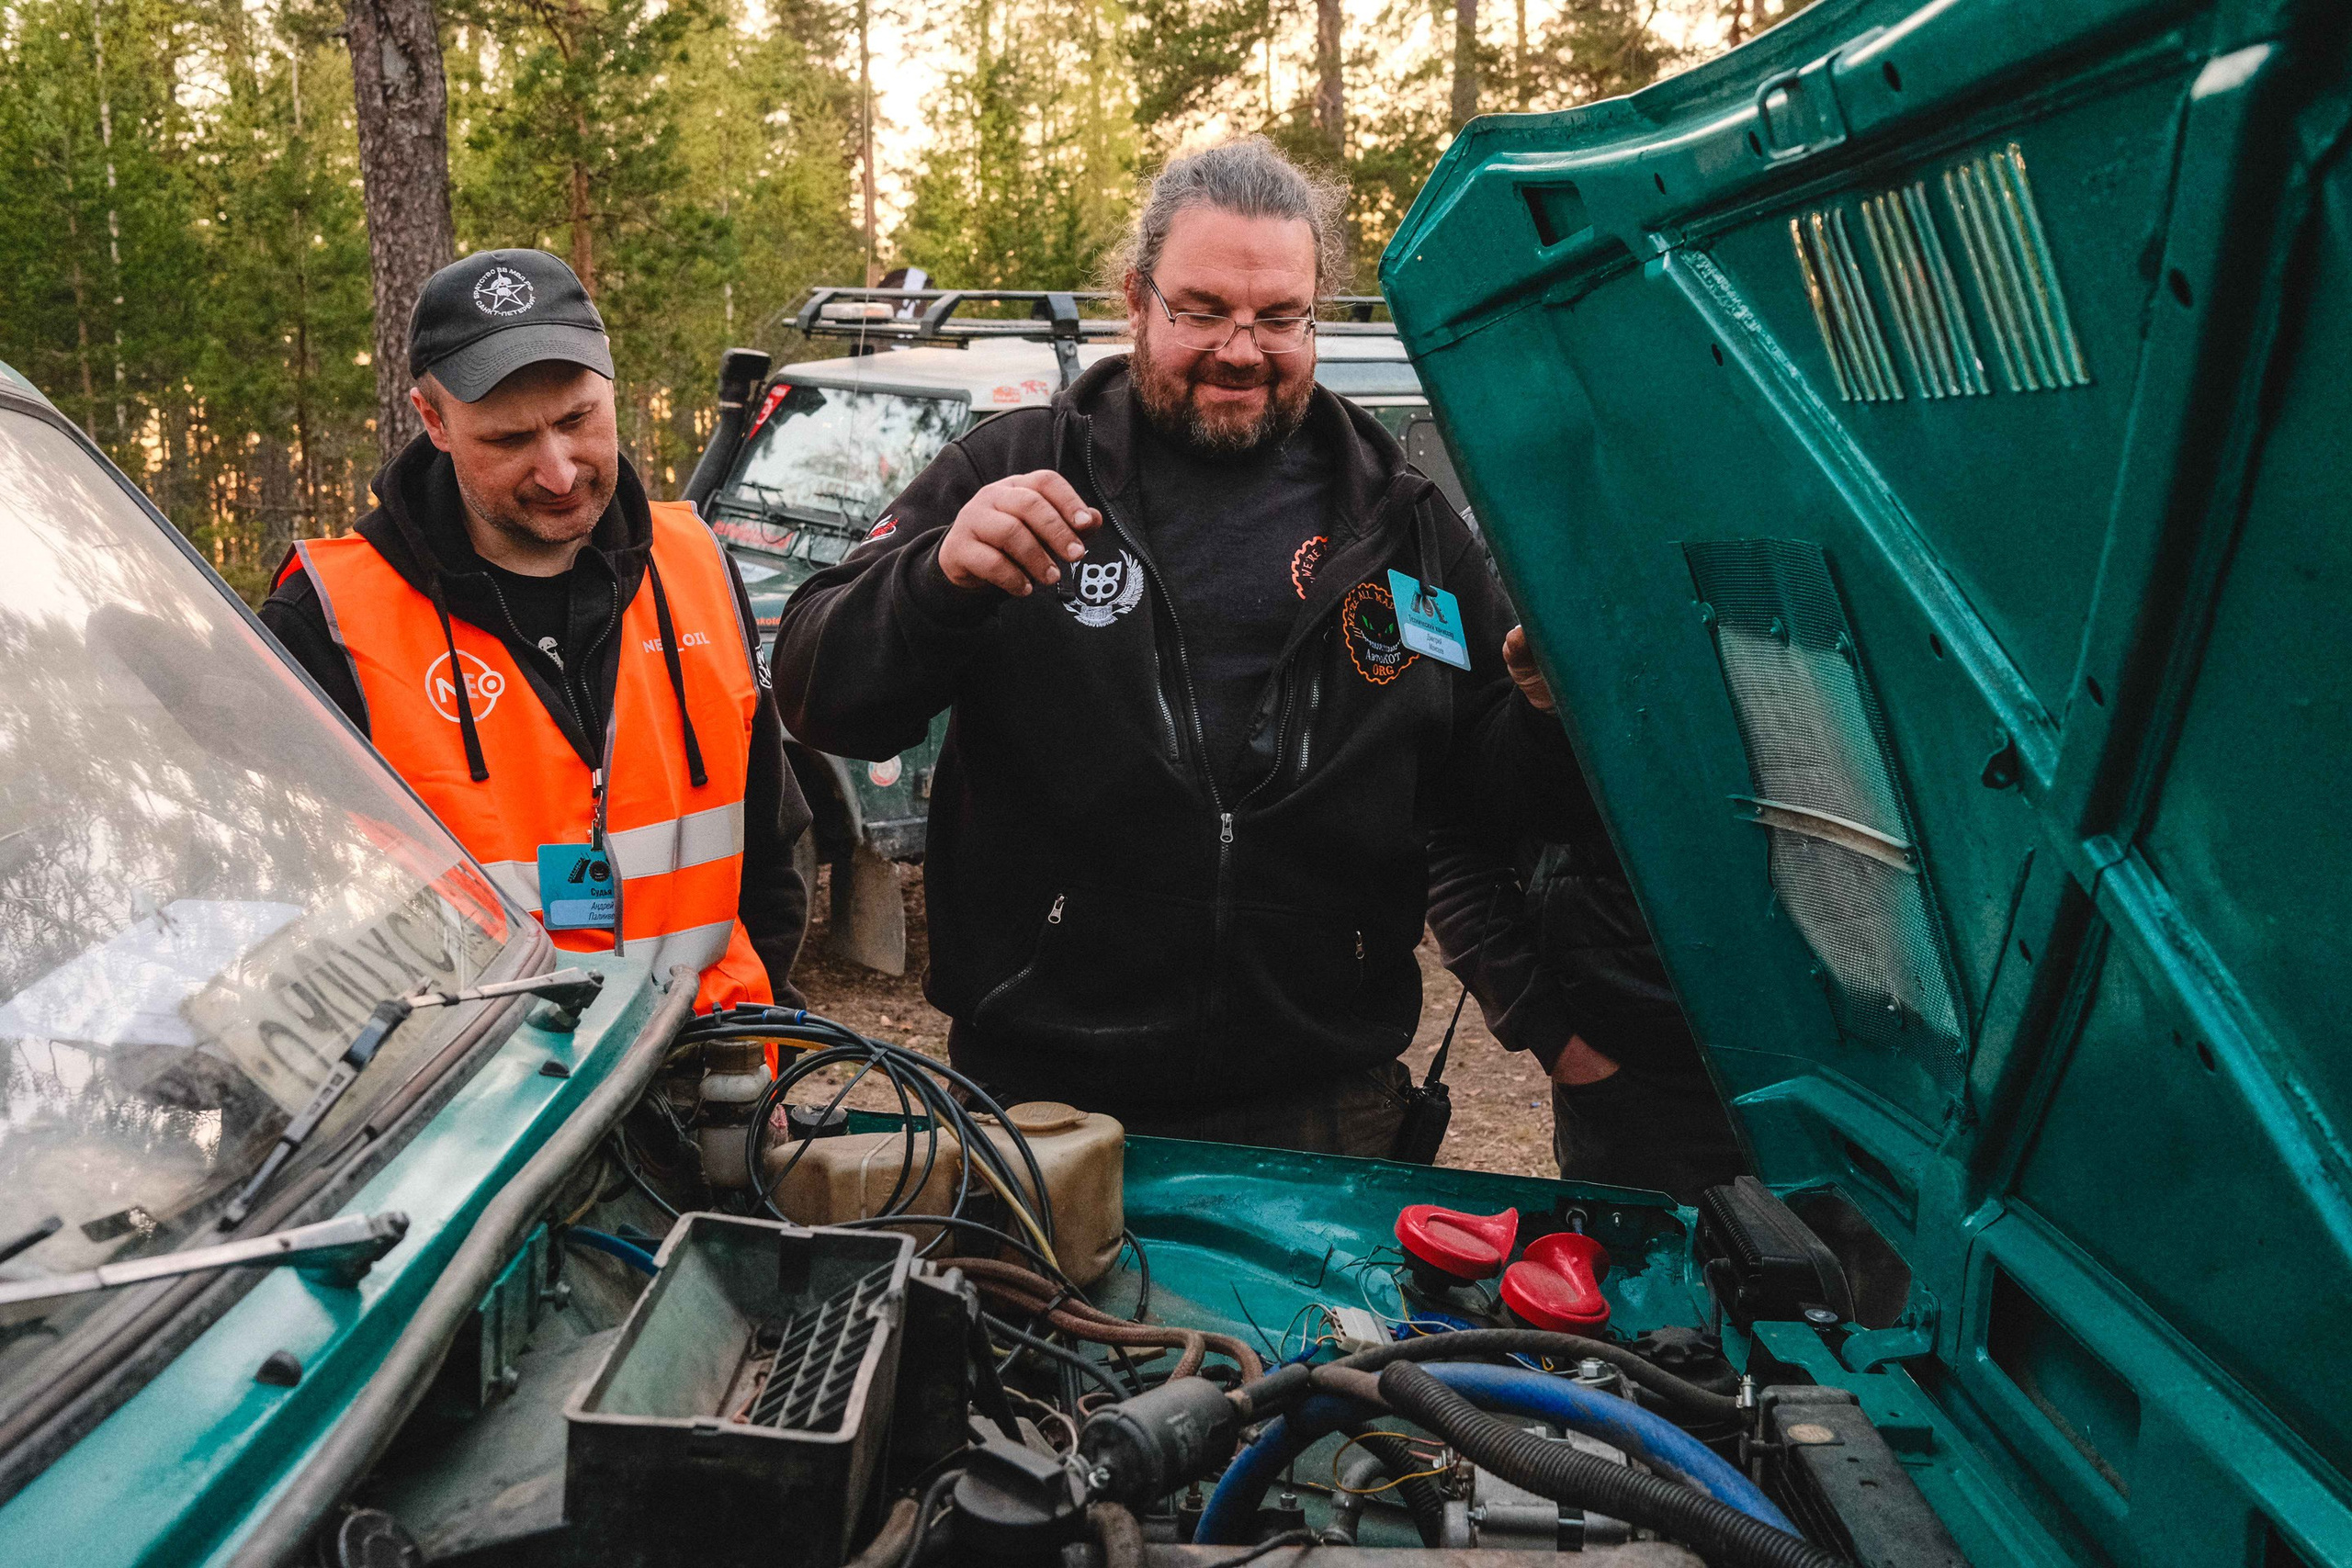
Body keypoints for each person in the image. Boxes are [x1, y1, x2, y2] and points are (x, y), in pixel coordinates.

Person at [769, 139, 1595, 1155]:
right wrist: (934, 579)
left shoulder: (1403, 520)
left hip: (1327, 1102)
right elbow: (816, 695)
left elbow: (1492, 805)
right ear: (1137, 298)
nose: (1241, 350)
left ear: (1312, 314)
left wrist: (1549, 714)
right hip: (1042, 1094)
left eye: (1278, 317)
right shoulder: (1019, 466)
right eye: (1201, 310)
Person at [261, 248, 810, 1010]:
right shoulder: (327, 618)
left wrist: (758, 1049)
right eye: (510, 441)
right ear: (434, 420)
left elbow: (771, 857)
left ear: (610, 380)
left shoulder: (698, 566)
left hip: (710, 1079)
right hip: (497, 1110)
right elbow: (297, 925)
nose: (559, 471)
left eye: (578, 419)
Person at [1428, 829, 1746, 1202]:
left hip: (1804, 1068)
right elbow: (1453, 853)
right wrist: (1560, 1044)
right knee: (1638, 1256)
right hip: (1629, 1083)